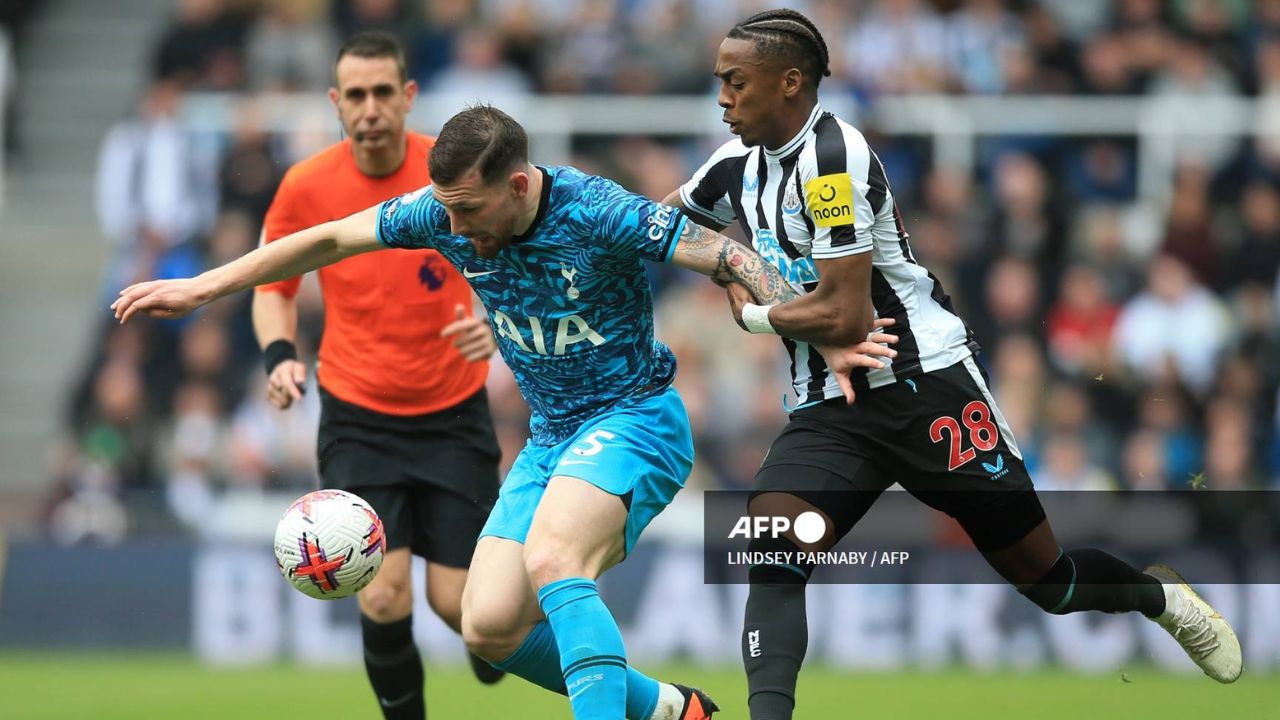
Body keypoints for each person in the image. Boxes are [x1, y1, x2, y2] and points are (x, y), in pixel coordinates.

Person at [112, 105, 891, 720]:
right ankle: (665, 707)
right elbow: (325, 240)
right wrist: (202, 288)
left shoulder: (600, 211)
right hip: (551, 440)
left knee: (555, 561)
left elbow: (728, 255)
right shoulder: (438, 212)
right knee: (486, 624)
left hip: (635, 419)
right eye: (445, 210)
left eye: (467, 209)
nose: (452, 231)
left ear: (517, 185)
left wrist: (820, 332)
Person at [663, 9, 1243, 719]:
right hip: (832, 402)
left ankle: (1158, 597)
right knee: (774, 548)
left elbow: (846, 314)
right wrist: (728, 264)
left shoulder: (833, 159)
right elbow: (658, 231)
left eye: (735, 82)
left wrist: (749, 305)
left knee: (1047, 581)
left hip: (924, 385)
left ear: (789, 83)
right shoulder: (734, 166)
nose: (721, 97)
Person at [253, 32, 503, 719]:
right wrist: (279, 356)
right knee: (382, 592)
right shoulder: (307, 186)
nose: (370, 109)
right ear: (336, 102)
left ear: (408, 96)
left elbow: (515, 256)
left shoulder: (449, 170)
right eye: (355, 95)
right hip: (357, 414)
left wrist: (497, 323)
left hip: (453, 412)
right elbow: (271, 284)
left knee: (464, 608)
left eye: (382, 93)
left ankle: (496, 645)